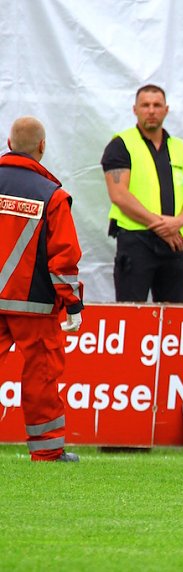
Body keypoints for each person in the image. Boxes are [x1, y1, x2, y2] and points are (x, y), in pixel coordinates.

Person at [0, 116, 84, 461]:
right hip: (32, 304)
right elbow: (63, 259)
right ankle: (48, 451)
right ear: (42, 147)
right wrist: (74, 305)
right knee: (41, 376)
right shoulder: (53, 196)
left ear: (8, 144)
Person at [101, 84, 183, 303]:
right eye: (145, 105)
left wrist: (178, 222)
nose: (151, 110)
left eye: (157, 105)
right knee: (131, 315)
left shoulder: (179, 148)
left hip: (175, 242)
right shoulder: (121, 145)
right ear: (134, 109)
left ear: (166, 109)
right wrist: (162, 227)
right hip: (136, 241)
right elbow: (119, 194)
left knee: (176, 318)